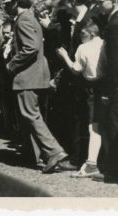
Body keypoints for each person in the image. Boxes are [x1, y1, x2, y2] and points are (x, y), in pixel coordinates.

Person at [6, 0, 74, 173]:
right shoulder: (30, 17)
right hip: (36, 74)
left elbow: (31, 48)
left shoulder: (24, 19)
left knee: (31, 115)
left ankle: (55, 153)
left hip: (29, 75)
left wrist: (11, 65)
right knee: (31, 115)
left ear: (14, 2)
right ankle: (39, 154)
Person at [57, 20, 106, 178]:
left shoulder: (83, 48)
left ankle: (92, 163)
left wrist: (65, 56)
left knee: (94, 126)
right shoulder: (105, 43)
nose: (80, 37)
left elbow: (76, 69)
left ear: (91, 34)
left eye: (82, 34)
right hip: (108, 85)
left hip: (93, 88)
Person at [92, 0, 118, 183]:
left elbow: (114, 61)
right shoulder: (111, 21)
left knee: (113, 124)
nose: (98, 5)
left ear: (113, 1)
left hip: (115, 85)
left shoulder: (114, 25)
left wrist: (108, 91)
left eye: (101, 2)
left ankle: (113, 171)